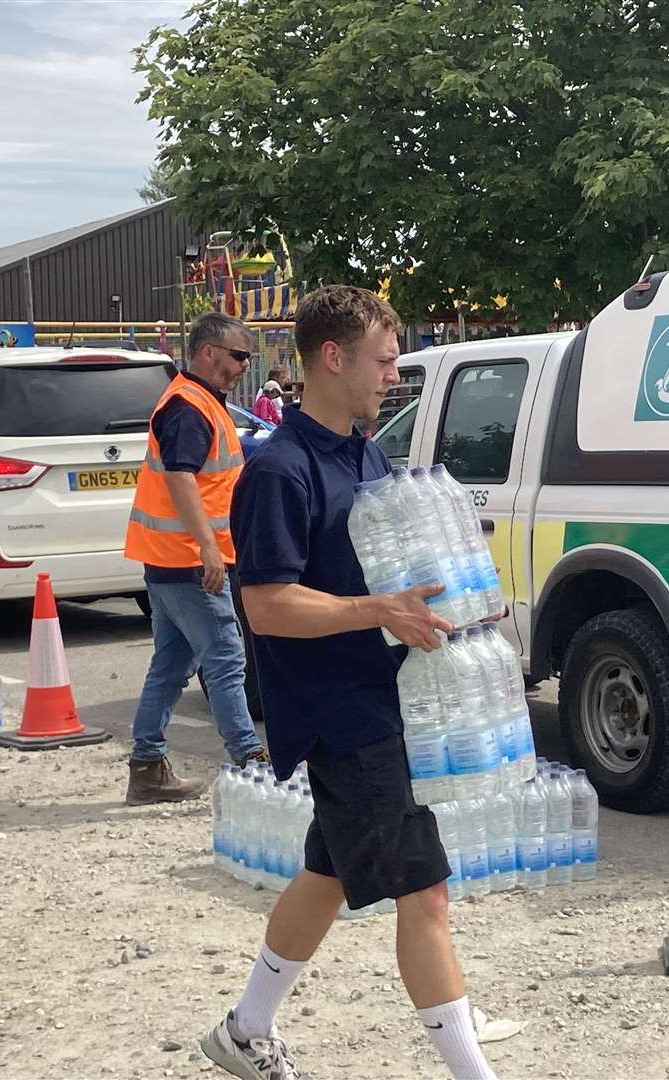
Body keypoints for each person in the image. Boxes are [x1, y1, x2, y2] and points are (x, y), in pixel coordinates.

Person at [199, 286, 496, 1080]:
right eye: (384, 359)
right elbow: (265, 606)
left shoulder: (365, 452)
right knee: (424, 894)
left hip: (385, 692)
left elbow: (386, 573)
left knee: (329, 870)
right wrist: (376, 611)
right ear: (332, 359)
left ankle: (244, 1029)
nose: (393, 375)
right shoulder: (278, 471)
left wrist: (451, 613)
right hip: (341, 712)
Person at [123, 311, 268, 805]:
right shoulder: (189, 406)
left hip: (170, 559)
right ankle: (250, 763)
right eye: (238, 355)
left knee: (170, 665)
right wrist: (209, 546)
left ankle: (147, 766)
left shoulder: (198, 401)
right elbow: (181, 478)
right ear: (208, 352)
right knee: (227, 659)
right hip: (190, 562)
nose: (244, 366)